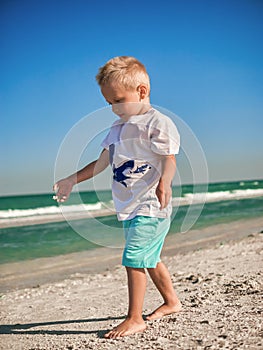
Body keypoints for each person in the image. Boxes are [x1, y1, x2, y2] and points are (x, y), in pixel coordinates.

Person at [53, 56, 182, 339]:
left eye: (118, 100)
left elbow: (169, 159)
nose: (113, 108)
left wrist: (165, 182)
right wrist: (71, 179)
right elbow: (101, 163)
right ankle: (172, 302)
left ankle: (135, 318)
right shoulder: (117, 129)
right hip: (128, 206)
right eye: (109, 103)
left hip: (151, 203)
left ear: (142, 92)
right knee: (149, 257)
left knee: (133, 258)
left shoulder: (158, 122)